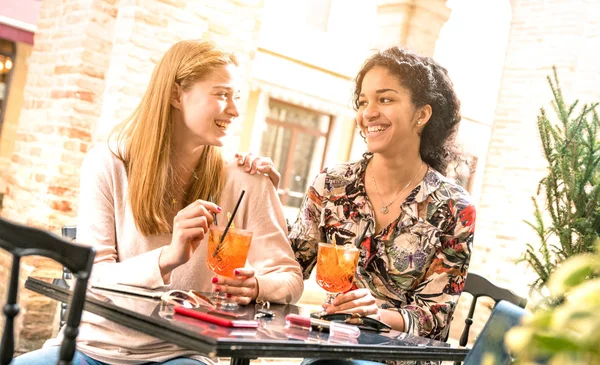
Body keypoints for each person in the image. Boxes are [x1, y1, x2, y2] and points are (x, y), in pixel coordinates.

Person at [14, 39, 303, 365]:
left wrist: (257, 286)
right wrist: (166, 258)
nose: (235, 110)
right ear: (175, 95)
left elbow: (290, 278)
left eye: (235, 96)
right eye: (222, 94)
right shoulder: (108, 164)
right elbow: (94, 276)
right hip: (94, 347)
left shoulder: (246, 178)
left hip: (180, 353)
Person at [289, 46, 476, 349]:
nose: (368, 113)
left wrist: (375, 313)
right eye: (363, 102)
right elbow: (291, 265)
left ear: (422, 114)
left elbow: (434, 318)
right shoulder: (332, 185)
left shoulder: (454, 207)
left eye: (385, 99)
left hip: (399, 356)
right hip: (332, 349)